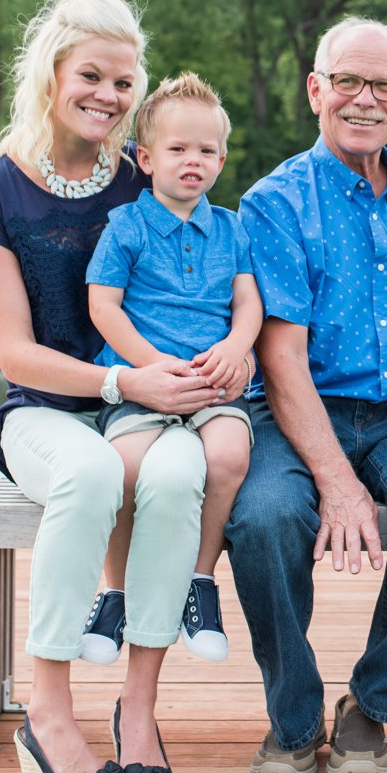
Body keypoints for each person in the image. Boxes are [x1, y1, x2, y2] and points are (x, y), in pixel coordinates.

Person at [0, 0, 218, 773]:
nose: (106, 93)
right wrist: (119, 383)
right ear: (53, 76)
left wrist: (200, 369)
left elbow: (206, 283)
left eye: (122, 81)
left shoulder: (149, 180)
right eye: (91, 75)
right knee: (93, 472)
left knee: (182, 475)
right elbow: (14, 352)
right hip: (45, 413)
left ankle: (138, 710)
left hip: (144, 406)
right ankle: (48, 711)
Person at [227, 17, 387, 773]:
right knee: (264, 514)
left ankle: (372, 704)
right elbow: (280, 358)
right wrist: (336, 483)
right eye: (347, 81)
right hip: (300, 404)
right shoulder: (275, 203)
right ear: (316, 90)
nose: (363, 99)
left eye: (382, 87)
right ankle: (294, 717)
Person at [82, 71, 261, 673]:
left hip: (211, 380)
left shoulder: (232, 227)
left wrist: (237, 347)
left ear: (222, 159)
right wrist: (151, 365)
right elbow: (102, 305)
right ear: (146, 157)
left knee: (231, 453)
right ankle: (115, 593)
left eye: (206, 151)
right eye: (179, 149)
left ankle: (199, 581)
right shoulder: (127, 226)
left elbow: (247, 302)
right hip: (144, 379)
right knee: (126, 469)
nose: (194, 161)